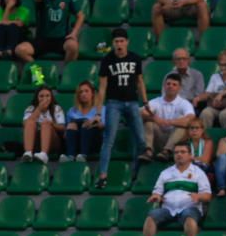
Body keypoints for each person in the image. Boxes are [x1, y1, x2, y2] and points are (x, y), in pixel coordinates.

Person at [95, 27, 151, 186]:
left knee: (140, 138)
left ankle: (137, 173)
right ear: (112, 43)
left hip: (133, 101)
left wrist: (145, 102)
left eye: (121, 41)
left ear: (127, 42)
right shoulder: (107, 60)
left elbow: (140, 81)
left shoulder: (135, 58)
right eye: (116, 42)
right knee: (109, 139)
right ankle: (103, 175)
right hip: (114, 103)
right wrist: (99, 112)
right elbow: (102, 88)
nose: (119, 44)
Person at [145, 141, 211, 236]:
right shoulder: (165, 173)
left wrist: (199, 197)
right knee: (150, 218)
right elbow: (157, 192)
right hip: (168, 208)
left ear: (190, 155)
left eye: (183, 152)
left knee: (190, 218)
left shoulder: (199, 173)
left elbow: (207, 195)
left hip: (190, 207)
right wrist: (156, 196)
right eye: (176, 152)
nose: (179, 154)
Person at [14, 0, 83, 64]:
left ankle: (66, 76)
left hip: (61, 39)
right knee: (20, 50)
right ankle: (39, 76)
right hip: (42, 39)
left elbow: (81, 16)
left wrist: (74, 33)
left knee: (73, 46)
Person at [143, 73, 195, 161]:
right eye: (168, 84)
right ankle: (148, 151)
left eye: (174, 85)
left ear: (179, 88)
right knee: (148, 122)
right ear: (164, 86)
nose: (170, 86)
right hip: (158, 137)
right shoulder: (156, 101)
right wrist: (155, 119)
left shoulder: (184, 103)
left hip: (175, 141)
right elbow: (142, 113)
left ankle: (166, 151)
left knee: (182, 127)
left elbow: (190, 120)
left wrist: (169, 122)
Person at [199, 48, 226, 128]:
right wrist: (198, 98)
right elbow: (208, 93)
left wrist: (221, 94)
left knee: (224, 114)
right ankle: (206, 138)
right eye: (221, 65)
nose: (223, 68)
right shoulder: (215, 77)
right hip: (216, 107)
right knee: (205, 113)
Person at [21, 85, 65, 164]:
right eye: (41, 96)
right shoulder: (31, 108)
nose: (45, 99)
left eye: (47, 96)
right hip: (35, 141)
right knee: (30, 122)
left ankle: (44, 154)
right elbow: (25, 124)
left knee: (45, 123)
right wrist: (39, 109)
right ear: (37, 98)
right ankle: (28, 153)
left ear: (51, 97)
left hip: (53, 142)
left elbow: (62, 127)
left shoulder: (56, 108)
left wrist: (52, 124)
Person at [62, 80, 102, 162]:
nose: (83, 94)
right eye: (81, 92)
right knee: (72, 125)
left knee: (85, 124)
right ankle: (70, 156)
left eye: (86, 91)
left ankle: (83, 155)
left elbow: (104, 125)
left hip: (94, 141)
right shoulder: (72, 111)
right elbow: (66, 133)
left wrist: (92, 122)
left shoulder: (100, 109)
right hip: (76, 141)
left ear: (92, 93)